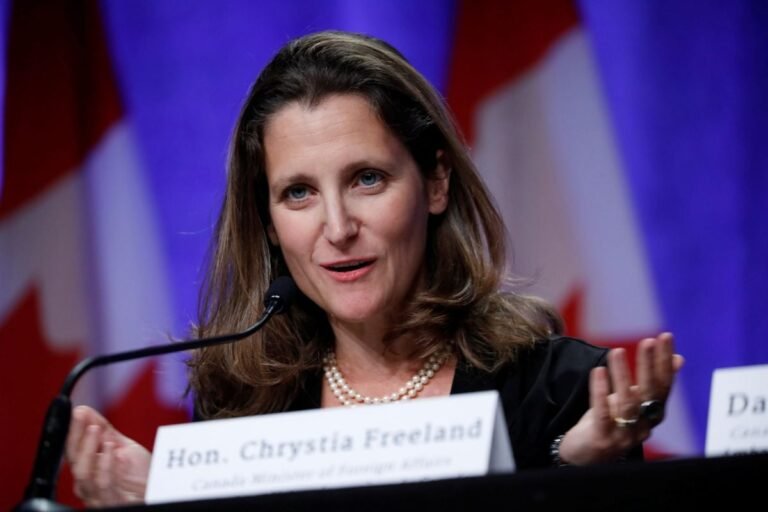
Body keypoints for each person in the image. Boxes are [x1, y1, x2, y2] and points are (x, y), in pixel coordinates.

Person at [65, 30, 683, 507]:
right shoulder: (242, 409)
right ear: (269, 222)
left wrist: (575, 471)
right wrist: (166, 504)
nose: (337, 228)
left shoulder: (561, 390)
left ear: (435, 182)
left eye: (367, 179)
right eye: (299, 193)